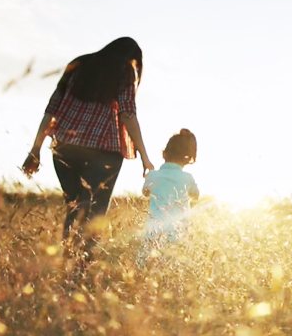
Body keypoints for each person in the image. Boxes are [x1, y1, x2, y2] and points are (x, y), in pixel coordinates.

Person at [23, 37, 154, 280]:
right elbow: (127, 114)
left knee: (75, 207)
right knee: (94, 212)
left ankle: (68, 266)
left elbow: (52, 109)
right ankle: (81, 273)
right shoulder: (124, 70)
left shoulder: (80, 65)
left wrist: (36, 149)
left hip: (65, 148)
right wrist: (144, 156)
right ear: (131, 58)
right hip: (103, 151)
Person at [136, 129, 199, 267]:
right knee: (174, 267)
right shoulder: (188, 178)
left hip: (153, 229)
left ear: (164, 154)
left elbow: (145, 192)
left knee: (145, 266)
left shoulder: (152, 176)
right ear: (187, 158)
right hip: (178, 230)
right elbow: (196, 196)